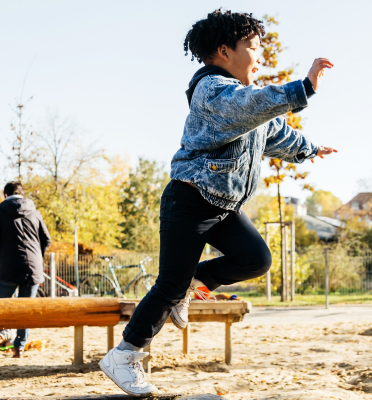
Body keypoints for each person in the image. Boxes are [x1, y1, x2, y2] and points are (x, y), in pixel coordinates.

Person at [100, 9, 336, 397]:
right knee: (169, 285)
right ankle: (125, 354)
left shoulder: (244, 102)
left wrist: (309, 149)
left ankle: (198, 281)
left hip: (223, 206)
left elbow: (274, 132)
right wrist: (303, 87)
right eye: (254, 48)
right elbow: (253, 106)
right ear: (224, 52)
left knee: (256, 258)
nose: (259, 57)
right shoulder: (213, 91)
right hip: (190, 201)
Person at [0, 181, 51, 360]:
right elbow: (46, 239)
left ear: (6, 195)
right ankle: (19, 349)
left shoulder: (0, 211)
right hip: (32, 268)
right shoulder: (35, 211)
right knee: (26, 310)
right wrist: (36, 258)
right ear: (22, 194)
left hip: (8, 267)